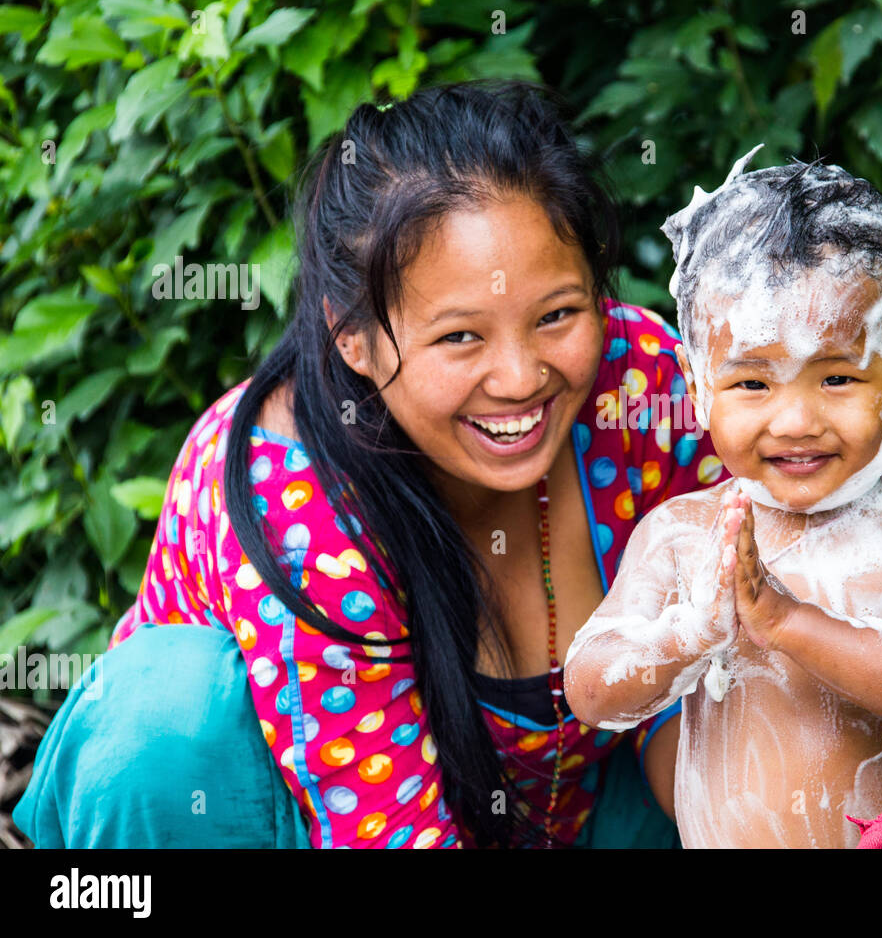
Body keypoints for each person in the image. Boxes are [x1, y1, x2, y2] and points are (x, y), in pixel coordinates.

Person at [16, 80, 728, 849]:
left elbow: (765, 642)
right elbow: (388, 833)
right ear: (352, 335)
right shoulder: (290, 500)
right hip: (313, 826)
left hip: (574, 816)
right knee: (164, 713)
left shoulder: (642, 383)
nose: (521, 377)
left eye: (557, 314)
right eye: (461, 337)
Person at [563, 145, 882, 848]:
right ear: (698, 383)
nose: (795, 421)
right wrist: (693, 633)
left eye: (837, 379)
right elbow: (590, 689)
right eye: (752, 384)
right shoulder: (683, 536)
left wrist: (788, 622)